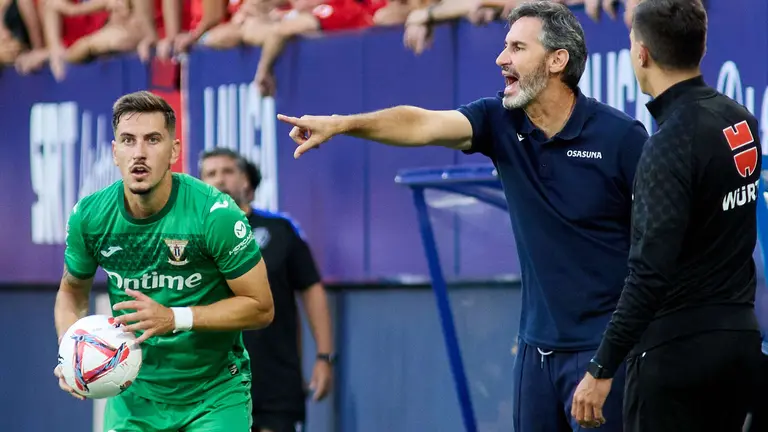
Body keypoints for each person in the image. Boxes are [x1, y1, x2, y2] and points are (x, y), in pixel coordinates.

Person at [277, 1, 649, 430]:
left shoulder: (621, 137)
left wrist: (613, 359)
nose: (500, 58)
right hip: (534, 356)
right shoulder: (499, 120)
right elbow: (420, 125)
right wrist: (343, 124)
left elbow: (655, 251)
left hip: (604, 354)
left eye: (516, 47)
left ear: (557, 61)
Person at [571, 1, 764, 430]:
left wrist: (602, 366)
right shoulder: (742, 121)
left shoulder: (669, 143)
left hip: (678, 359)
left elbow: (649, 272)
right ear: (702, 44)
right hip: (740, 346)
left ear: (641, 54)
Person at [53, 91, 275, 432]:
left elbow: (261, 308)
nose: (139, 153)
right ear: (115, 152)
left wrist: (175, 318)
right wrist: (71, 352)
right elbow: (71, 292)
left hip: (213, 396)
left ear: (174, 150)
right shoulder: (90, 217)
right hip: (134, 397)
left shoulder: (214, 214)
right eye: (128, 140)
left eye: (152, 140)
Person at [199, 148, 335, 432]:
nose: (219, 180)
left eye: (227, 171)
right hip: (213, 383)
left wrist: (324, 357)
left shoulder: (281, 230)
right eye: (210, 174)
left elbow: (311, 290)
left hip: (275, 382)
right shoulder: (195, 240)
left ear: (246, 180)